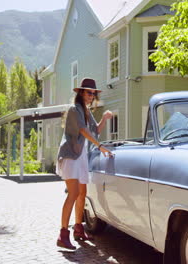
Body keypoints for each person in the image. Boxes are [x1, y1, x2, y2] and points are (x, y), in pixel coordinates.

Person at [55, 78, 113, 250]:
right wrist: (100, 146)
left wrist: (104, 118)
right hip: (70, 155)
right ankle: (62, 234)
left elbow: (96, 130)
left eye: (93, 93)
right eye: (88, 92)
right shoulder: (74, 109)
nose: (91, 96)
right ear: (80, 92)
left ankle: (78, 228)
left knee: (82, 193)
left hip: (80, 157)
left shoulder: (86, 111)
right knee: (73, 193)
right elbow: (83, 130)